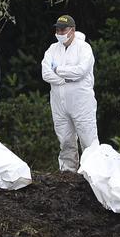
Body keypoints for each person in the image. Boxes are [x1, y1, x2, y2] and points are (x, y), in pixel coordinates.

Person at [41, 14, 98, 172]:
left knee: (88, 139)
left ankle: (93, 173)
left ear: (72, 30)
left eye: (63, 29)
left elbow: (80, 71)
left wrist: (58, 70)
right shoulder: (52, 49)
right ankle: (68, 173)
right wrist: (63, 79)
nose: (60, 32)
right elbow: (45, 73)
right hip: (59, 102)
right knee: (65, 140)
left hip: (81, 102)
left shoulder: (84, 48)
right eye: (58, 29)